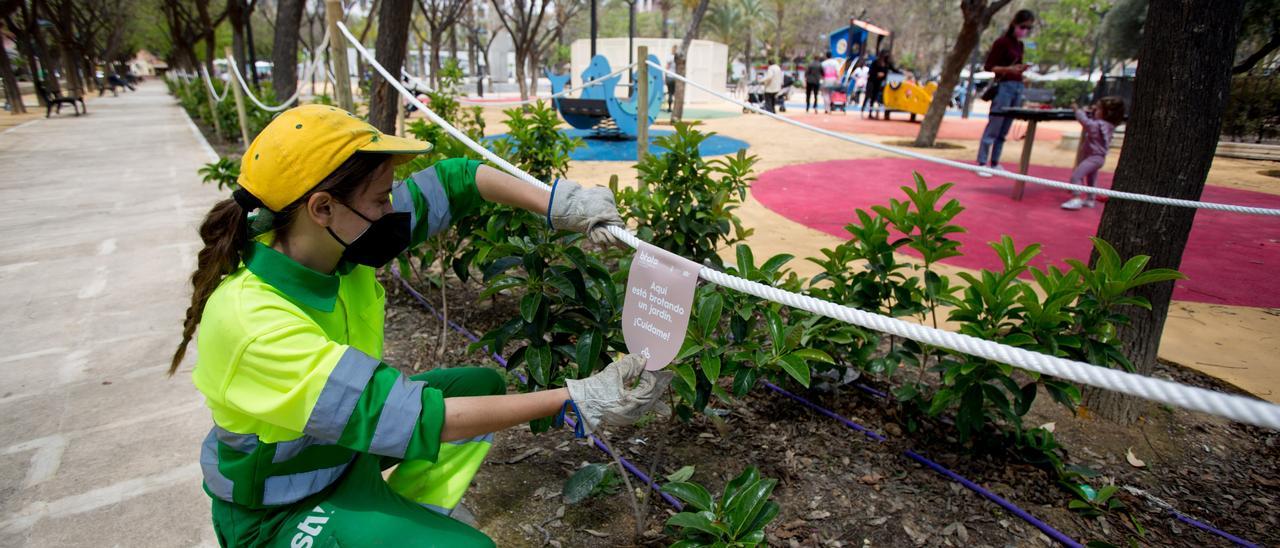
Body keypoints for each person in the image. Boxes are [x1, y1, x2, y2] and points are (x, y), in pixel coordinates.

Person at [174, 105, 672, 547]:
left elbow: (458, 180)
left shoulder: (331, 242)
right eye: (380, 199)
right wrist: (579, 399)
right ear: (321, 207)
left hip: (339, 452)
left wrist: (558, 205)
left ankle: (411, 517)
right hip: (277, 510)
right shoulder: (255, 324)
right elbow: (416, 418)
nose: (393, 210)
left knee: (481, 386)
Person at [975, 9, 1036, 178]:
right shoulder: (1002, 42)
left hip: (1017, 86)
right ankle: (982, 162)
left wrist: (1021, 71)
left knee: (1005, 128)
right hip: (1004, 86)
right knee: (994, 125)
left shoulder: (1020, 45)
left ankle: (994, 162)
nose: (1025, 31)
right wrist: (1008, 69)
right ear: (1015, 24)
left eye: (1029, 28)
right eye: (1023, 26)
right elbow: (989, 66)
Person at [1061, 96, 1125, 210]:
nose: (1095, 109)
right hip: (1095, 158)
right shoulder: (1106, 124)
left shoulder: (1098, 125)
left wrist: (1078, 110)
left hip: (1094, 158)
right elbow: (1092, 120)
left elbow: (1086, 123)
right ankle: (1090, 199)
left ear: (1107, 113)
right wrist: (1090, 112)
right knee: (1091, 178)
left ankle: (1076, 198)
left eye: (1098, 108)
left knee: (1077, 175)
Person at [863, 50, 896, 119]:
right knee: (868, 96)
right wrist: (877, 74)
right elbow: (870, 72)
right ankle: (864, 110)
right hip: (872, 82)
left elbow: (893, 69)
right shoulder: (875, 62)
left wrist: (901, 73)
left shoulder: (887, 64)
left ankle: (872, 113)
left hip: (879, 83)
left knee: (875, 97)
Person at [664, 46, 678, 112]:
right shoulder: (678, 58)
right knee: (675, 94)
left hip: (669, 77)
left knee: (670, 93)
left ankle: (669, 108)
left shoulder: (669, 57)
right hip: (676, 78)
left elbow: (667, 67)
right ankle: (675, 109)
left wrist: (665, 77)